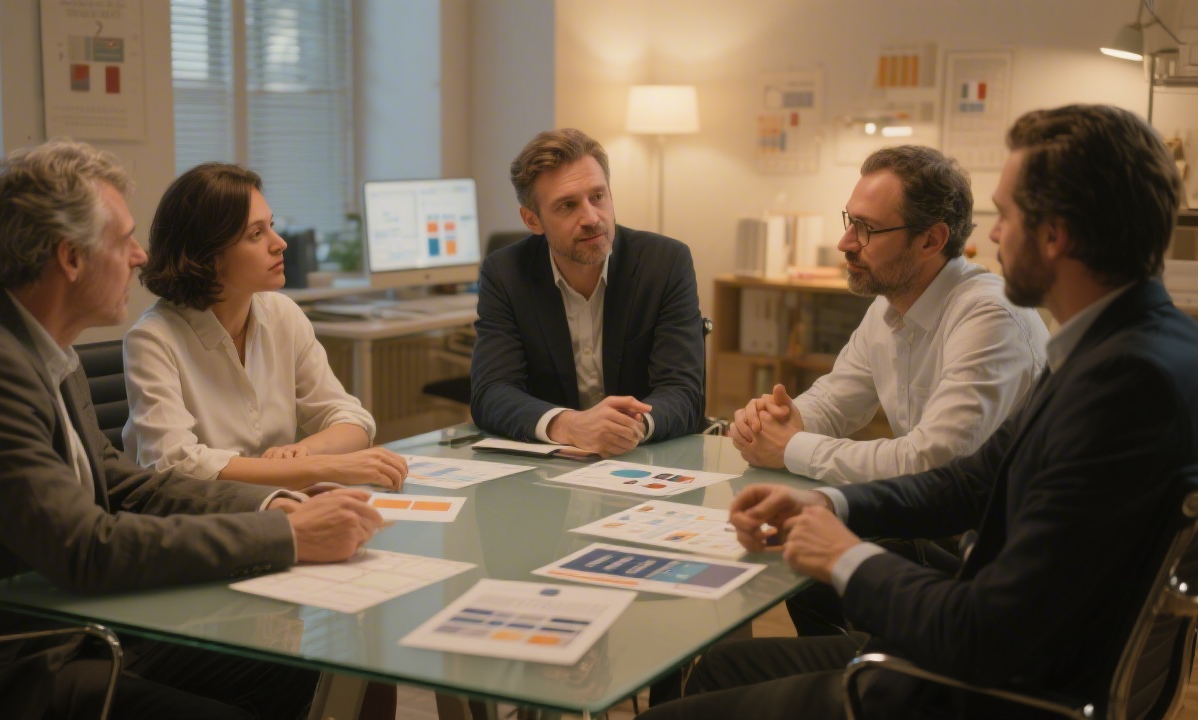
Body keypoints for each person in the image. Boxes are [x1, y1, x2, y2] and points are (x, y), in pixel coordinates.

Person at [641, 105, 1198, 720]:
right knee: (721, 668)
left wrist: (843, 554)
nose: (989, 239)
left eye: (1006, 216)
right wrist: (830, 504)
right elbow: (974, 478)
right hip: (997, 662)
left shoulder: (1122, 389)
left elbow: (981, 630)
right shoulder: (1131, 347)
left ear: (1055, 234)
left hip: (983, 693)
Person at [0, 140, 385, 720]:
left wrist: (273, 506)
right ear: (70, 258)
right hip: (5, 671)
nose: (140, 256)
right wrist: (287, 539)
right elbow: (86, 547)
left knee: (331, 661)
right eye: (123, 241)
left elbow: (121, 483)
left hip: (74, 633)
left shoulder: (37, 345)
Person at [731, 145, 1048, 485]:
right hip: (928, 521)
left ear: (930, 241)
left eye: (866, 227)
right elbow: (833, 402)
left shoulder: (990, 316)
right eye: (850, 221)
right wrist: (776, 421)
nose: (845, 243)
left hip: (987, 532)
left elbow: (933, 460)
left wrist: (792, 447)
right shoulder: (890, 303)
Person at [122, 162, 407, 491]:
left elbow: (352, 420)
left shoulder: (283, 313)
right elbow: (173, 464)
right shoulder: (153, 339)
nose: (280, 243)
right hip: (196, 521)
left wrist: (303, 452)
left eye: (271, 226)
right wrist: (320, 467)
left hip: (273, 506)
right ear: (207, 254)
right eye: (256, 234)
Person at [470, 128, 704, 456]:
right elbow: (491, 393)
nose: (592, 218)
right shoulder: (506, 273)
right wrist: (569, 425)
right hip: (551, 473)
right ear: (532, 220)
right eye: (567, 205)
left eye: (598, 196)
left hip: (646, 463)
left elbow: (684, 393)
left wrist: (626, 428)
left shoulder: (665, 264)